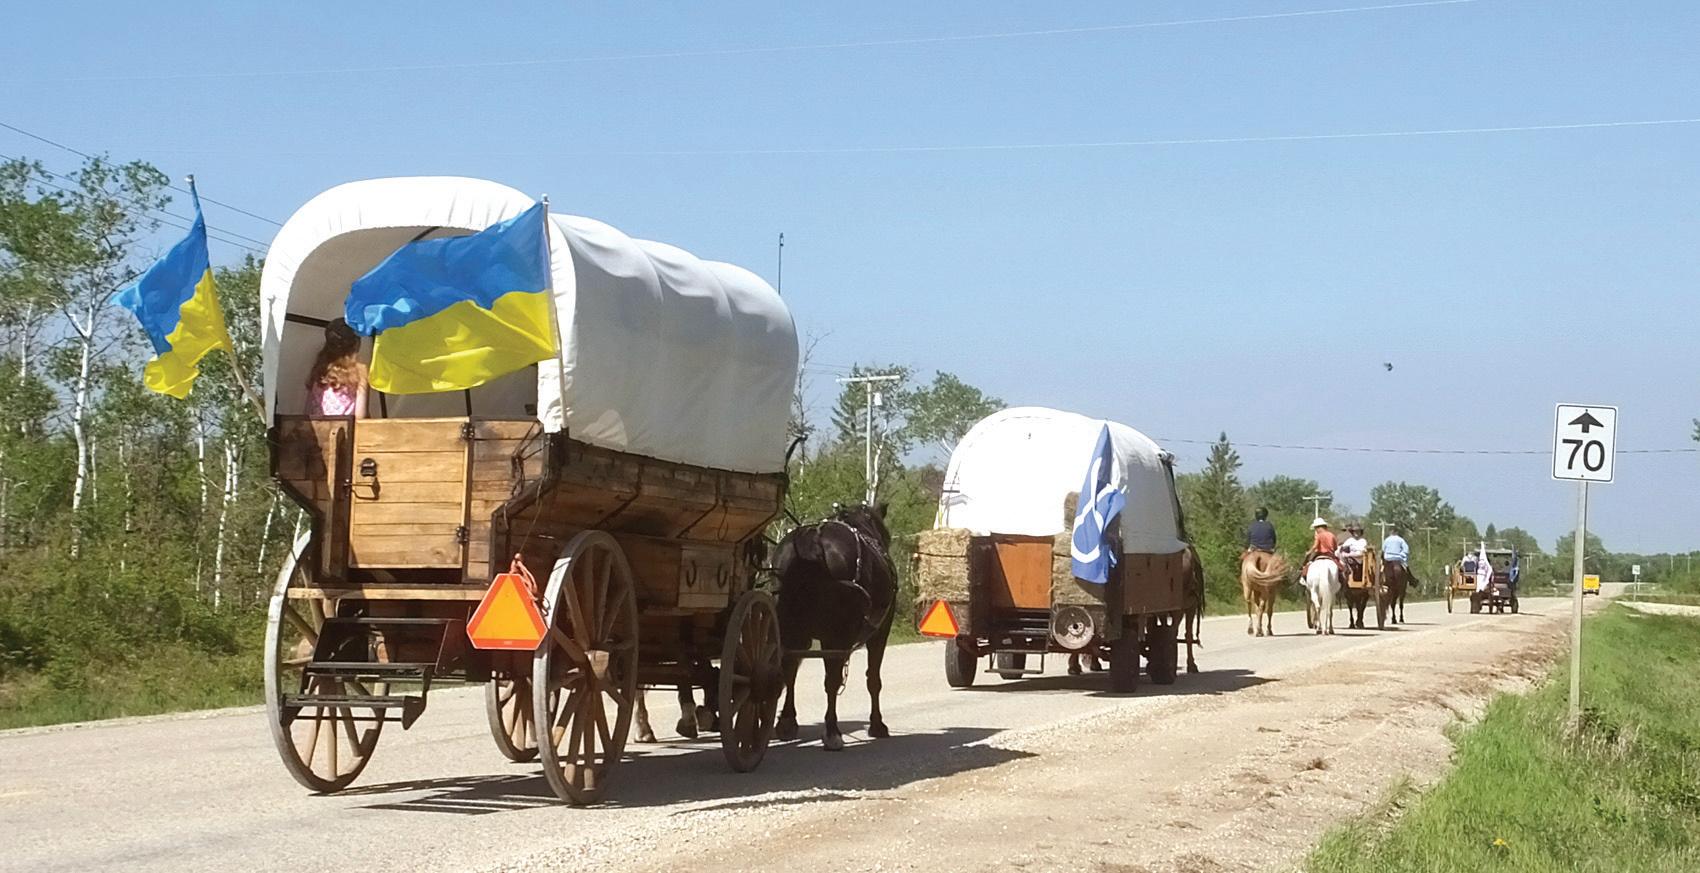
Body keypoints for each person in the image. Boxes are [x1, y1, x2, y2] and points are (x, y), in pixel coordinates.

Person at [304, 318, 368, 417]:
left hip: (318, 425)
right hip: (345, 426)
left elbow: (307, 410)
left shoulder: (320, 369)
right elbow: (360, 415)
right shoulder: (359, 371)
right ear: (356, 344)